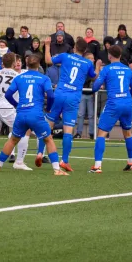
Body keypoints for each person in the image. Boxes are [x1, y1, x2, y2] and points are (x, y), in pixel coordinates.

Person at [0, 54, 67, 175]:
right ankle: (57, 169)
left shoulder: (19, 78)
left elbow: (8, 95)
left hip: (21, 114)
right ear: (38, 65)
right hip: (36, 115)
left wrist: (16, 105)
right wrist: (48, 108)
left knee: (12, 140)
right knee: (48, 139)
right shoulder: (44, 78)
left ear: (27, 64)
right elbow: (51, 95)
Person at [43, 37, 97, 171]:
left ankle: (40, 153)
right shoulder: (87, 63)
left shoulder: (65, 56)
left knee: (48, 125)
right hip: (73, 97)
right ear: (85, 51)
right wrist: (98, 66)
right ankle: (64, 160)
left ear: (74, 48)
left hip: (60, 94)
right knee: (68, 130)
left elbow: (48, 61)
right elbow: (94, 76)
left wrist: (48, 45)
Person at [90, 45, 132, 173]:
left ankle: (97, 166)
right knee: (128, 133)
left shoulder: (107, 69)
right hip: (127, 103)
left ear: (109, 55)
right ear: (120, 55)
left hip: (113, 103)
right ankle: (131, 162)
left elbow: (95, 87)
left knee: (101, 133)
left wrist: (103, 82)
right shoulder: (128, 70)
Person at [0, 52, 31, 170]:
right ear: (14, 63)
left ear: (2, 63)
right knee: (25, 129)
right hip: (6, 107)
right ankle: (19, 161)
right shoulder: (17, 76)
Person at [75, 52, 96, 140]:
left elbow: (96, 79)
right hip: (82, 93)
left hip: (91, 94)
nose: (92, 60)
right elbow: (86, 79)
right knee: (80, 114)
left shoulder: (94, 69)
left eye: (93, 58)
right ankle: (78, 133)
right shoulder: (83, 68)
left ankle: (92, 133)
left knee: (91, 115)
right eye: (90, 58)